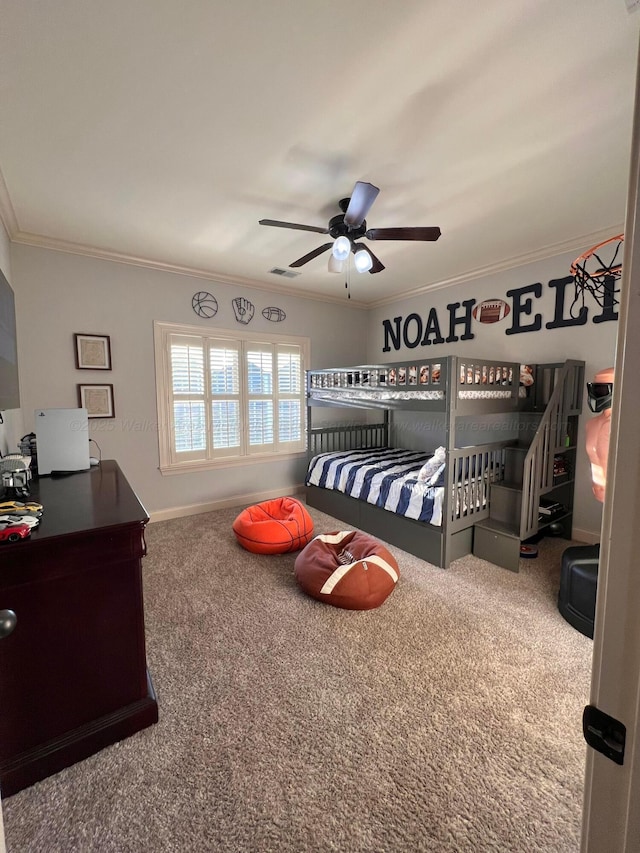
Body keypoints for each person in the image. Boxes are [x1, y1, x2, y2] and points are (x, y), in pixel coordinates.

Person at [585, 366, 614, 502]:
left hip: (622, 493)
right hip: (599, 492)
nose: (596, 394)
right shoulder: (591, 424)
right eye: (595, 389)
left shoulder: (626, 425)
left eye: (602, 390)